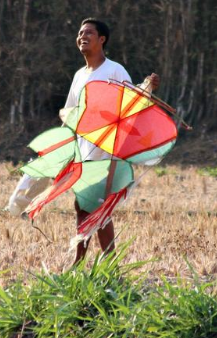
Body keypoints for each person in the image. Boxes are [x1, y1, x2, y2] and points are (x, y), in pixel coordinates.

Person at [64, 18, 159, 265]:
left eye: (89, 33)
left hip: (107, 151)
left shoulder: (114, 70)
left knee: (95, 206)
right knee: (83, 206)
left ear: (101, 40)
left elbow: (134, 98)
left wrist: (148, 87)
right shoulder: (79, 75)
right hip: (85, 150)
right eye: (80, 33)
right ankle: (90, 263)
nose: (82, 37)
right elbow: (71, 113)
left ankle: (101, 264)